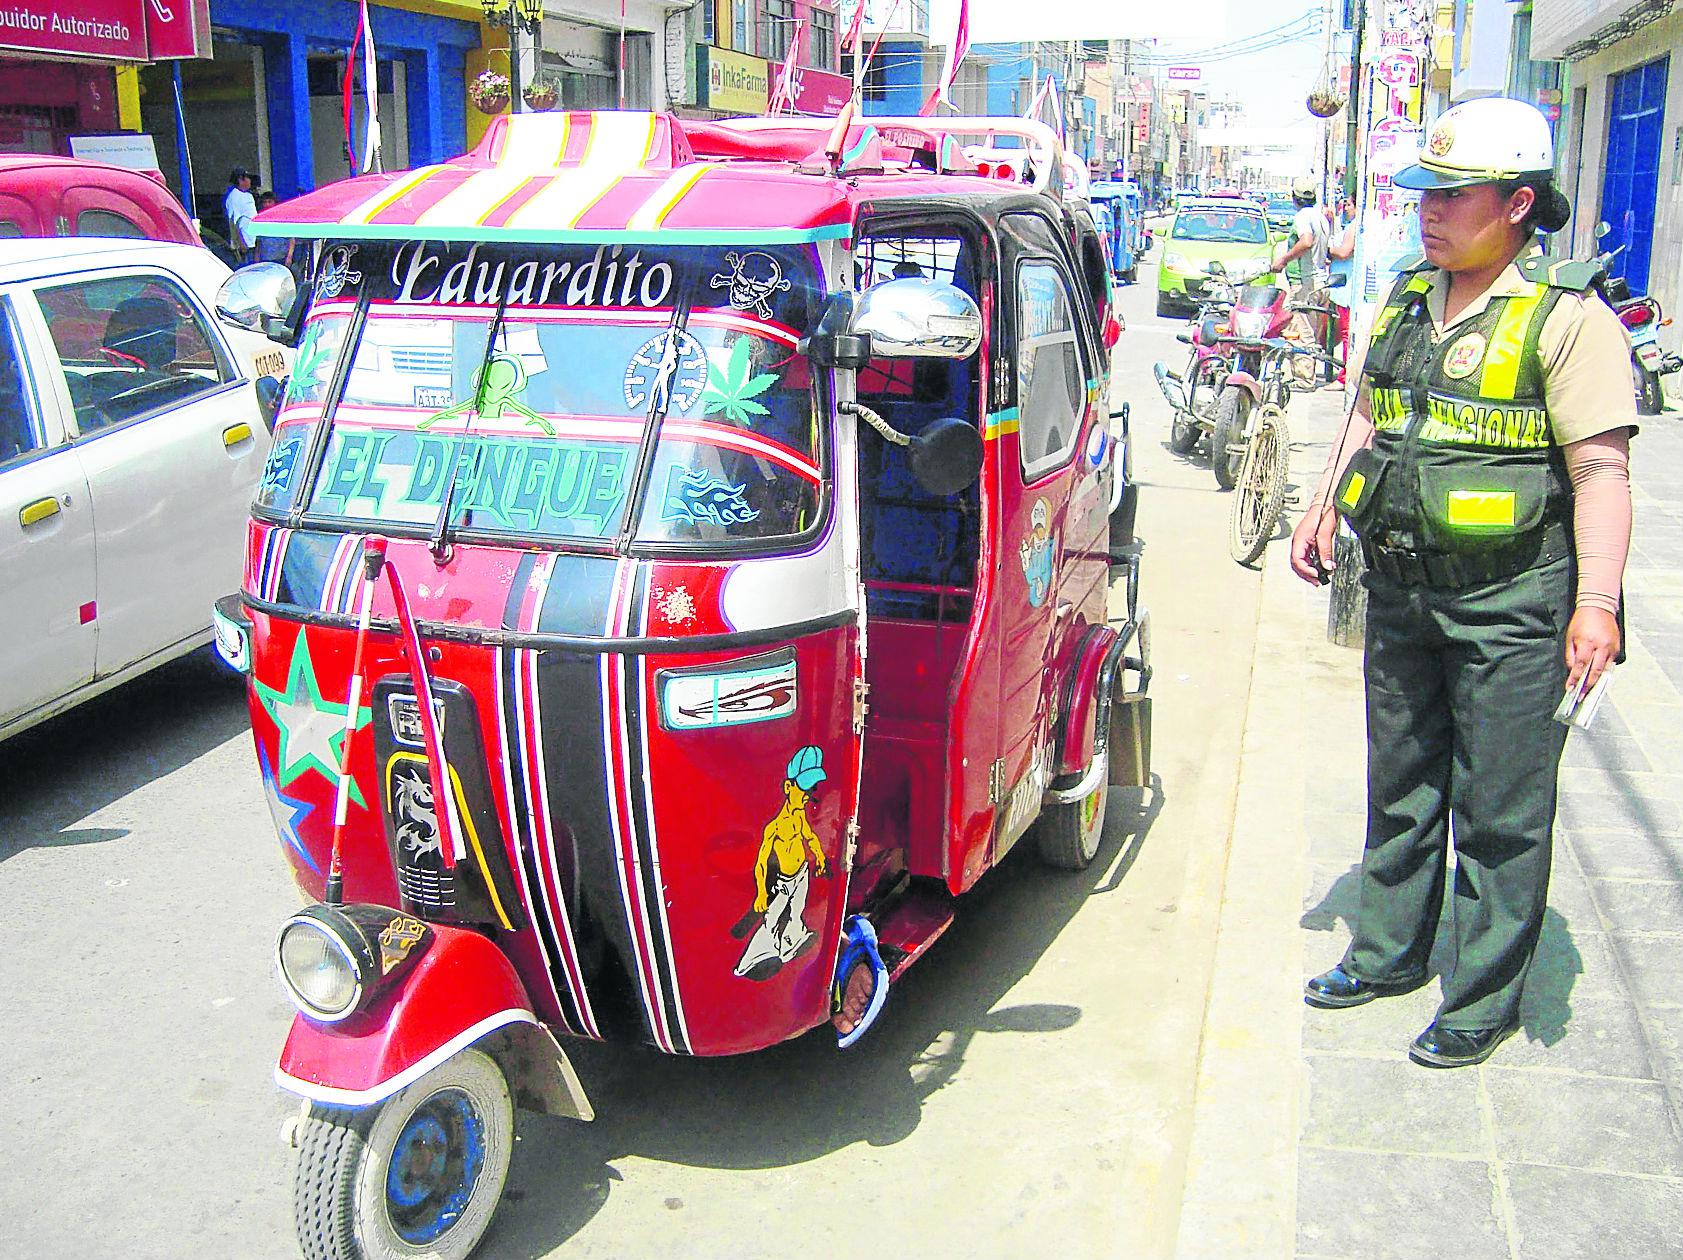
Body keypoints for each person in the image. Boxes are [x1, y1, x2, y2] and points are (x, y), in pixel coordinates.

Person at [1290, 97, 1636, 1068]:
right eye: (1425, 193)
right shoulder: (1408, 295)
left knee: (1500, 808)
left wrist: (1596, 606)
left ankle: (1481, 997)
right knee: (1400, 784)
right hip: (1402, 589)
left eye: (1455, 194)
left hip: (1514, 604)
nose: (1429, 212)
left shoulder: (1567, 319)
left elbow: (1601, 471)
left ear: (1520, 202)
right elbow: (1370, 414)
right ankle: (1390, 953)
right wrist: (1321, 506)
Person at [253, 191, 295, 271]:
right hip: (265, 259)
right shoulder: (260, 220)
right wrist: (256, 259)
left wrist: (289, 256)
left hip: (281, 258)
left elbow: (291, 239)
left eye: (270, 202)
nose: (267, 204)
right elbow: (259, 243)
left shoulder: (282, 219)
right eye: (265, 202)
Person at [223, 167, 257, 265]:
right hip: (245, 245)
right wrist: (241, 243)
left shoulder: (248, 195)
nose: (250, 181)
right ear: (240, 179)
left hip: (253, 241)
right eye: (247, 178)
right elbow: (234, 222)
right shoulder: (234, 197)